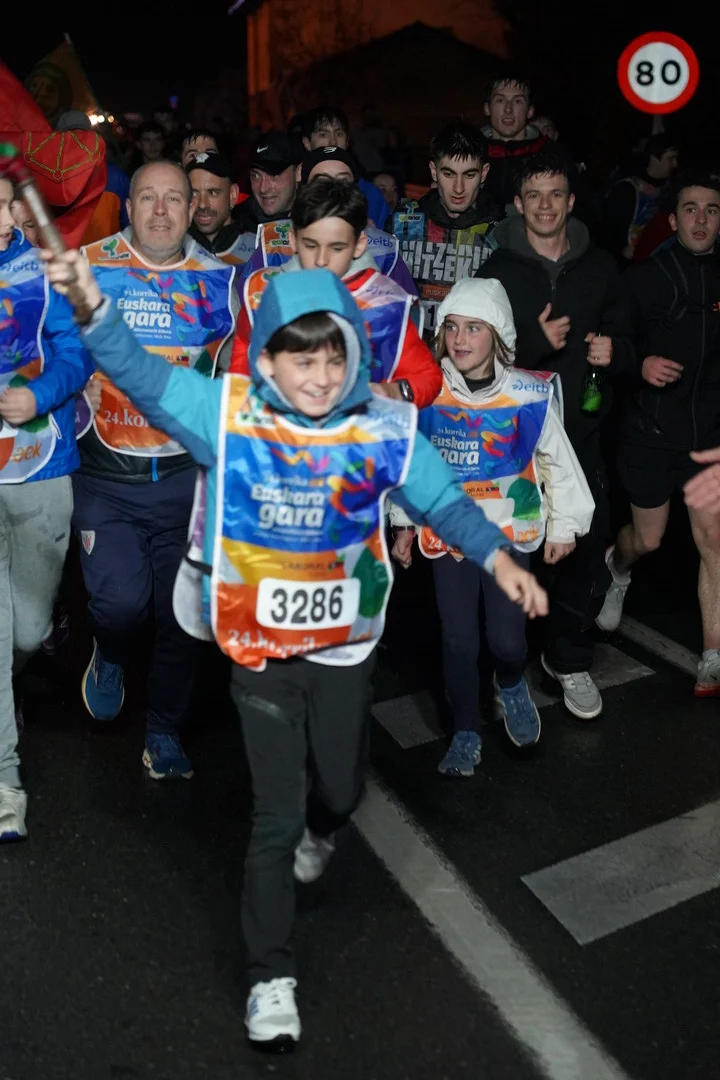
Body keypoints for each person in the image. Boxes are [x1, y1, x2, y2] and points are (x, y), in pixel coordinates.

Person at [45, 249, 548, 1049]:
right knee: (274, 816)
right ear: (269, 358)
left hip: (344, 646)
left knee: (340, 792)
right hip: (262, 651)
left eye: (333, 357)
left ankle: (325, 824)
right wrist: (93, 309)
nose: (319, 377)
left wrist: (498, 559)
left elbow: (443, 500)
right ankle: (269, 977)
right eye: (301, 359)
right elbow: (138, 374)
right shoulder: (227, 412)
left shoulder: (381, 426)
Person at [74, 159, 238, 779]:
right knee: (121, 607)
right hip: (106, 478)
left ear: (193, 208)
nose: (161, 211)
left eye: (174, 198)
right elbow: (45, 345)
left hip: (186, 484)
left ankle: (164, 732)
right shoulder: (89, 267)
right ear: (129, 205)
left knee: (182, 620)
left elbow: (243, 369)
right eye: (148, 197)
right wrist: (70, 384)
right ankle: (111, 651)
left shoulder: (220, 283)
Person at [390, 279, 593, 775]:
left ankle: (510, 680)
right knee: (458, 641)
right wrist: (403, 523)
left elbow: (558, 461)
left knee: (507, 642)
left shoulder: (529, 394)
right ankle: (464, 731)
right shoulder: (429, 392)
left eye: (474, 328)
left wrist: (564, 526)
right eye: (452, 327)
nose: (460, 339)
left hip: (509, 534)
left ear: (498, 335)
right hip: (450, 538)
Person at [478, 148, 635, 720]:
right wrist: (533, 343)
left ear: (570, 202)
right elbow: (470, 354)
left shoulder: (601, 267)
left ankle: (568, 660)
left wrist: (617, 351)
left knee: (584, 556)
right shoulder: (496, 271)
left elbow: (630, 336)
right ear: (518, 205)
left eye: (555, 195)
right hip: (512, 446)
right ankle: (505, 668)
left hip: (580, 438)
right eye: (534, 196)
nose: (545, 205)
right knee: (511, 558)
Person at [597, 174, 720, 696]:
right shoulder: (645, 277)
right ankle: (617, 567)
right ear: (673, 220)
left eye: (711, 210)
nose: (700, 219)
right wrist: (640, 362)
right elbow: (610, 343)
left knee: (714, 539)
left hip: (708, 435)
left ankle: (713, 657)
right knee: (647, 539)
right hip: (650, 429)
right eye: (690, 209)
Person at [0, 177, 92, 840]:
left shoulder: (43, 270)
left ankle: (11, 685)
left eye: (5, 205)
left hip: (40, 465)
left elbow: (77, 354)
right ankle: (6, 779)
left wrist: (40, 395)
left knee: (26, 632)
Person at [231, 178, 440, 407]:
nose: (322, 260)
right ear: (292, 239)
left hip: (355, 427)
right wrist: (241, 401)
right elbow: (243, 354)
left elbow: (427, 376)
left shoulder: (383, 302)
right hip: (276, 426)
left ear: (359, 245)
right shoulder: (263, 291)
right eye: (311, 245)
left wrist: (393, 391)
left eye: (337, 248)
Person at [240, 147, 416, 294]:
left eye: (342, 181)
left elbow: (405, 314)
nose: (332, 191)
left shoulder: (385, 250)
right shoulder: (272, 245)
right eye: (322, 181)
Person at [390, 121, 501, 336]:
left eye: (469, 175)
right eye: (448, 174)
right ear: (434, 171)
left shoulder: (503, 232)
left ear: (484, 173)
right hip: (412, 350)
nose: (458, 188)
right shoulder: (401, 224)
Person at [300, 106, 390, 228]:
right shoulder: (293, 189)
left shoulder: (371, 194)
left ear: (347, 141)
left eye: (339, 134)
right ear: (307, 143)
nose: (333, 142)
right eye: (323, 135)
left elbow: (386, 236)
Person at [600, 134, 679, 264]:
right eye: (670, 159)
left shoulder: (671, 189)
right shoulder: (627, 189)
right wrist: (620, 250)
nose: (675, 164)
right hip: (628, 264)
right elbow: (607, 230)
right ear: (654, 158)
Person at [481, 74, 548, 213]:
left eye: (518, 101)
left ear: (530, 111)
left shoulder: (552, 155)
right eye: (500, 100)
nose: (508, 109)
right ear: (487, 108)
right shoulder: (468, 153)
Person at [187, 153, 255, 265]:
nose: (202, 205)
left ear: (233, 195)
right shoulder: (175, 250)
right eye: (194, 193)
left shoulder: (260, 249)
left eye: (213, 192)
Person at [232, 133, 302, 234]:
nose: (263, 188)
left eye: (273, 175)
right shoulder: (235, 225)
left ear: (298, 172)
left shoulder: (317, 219)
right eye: (256, 176)